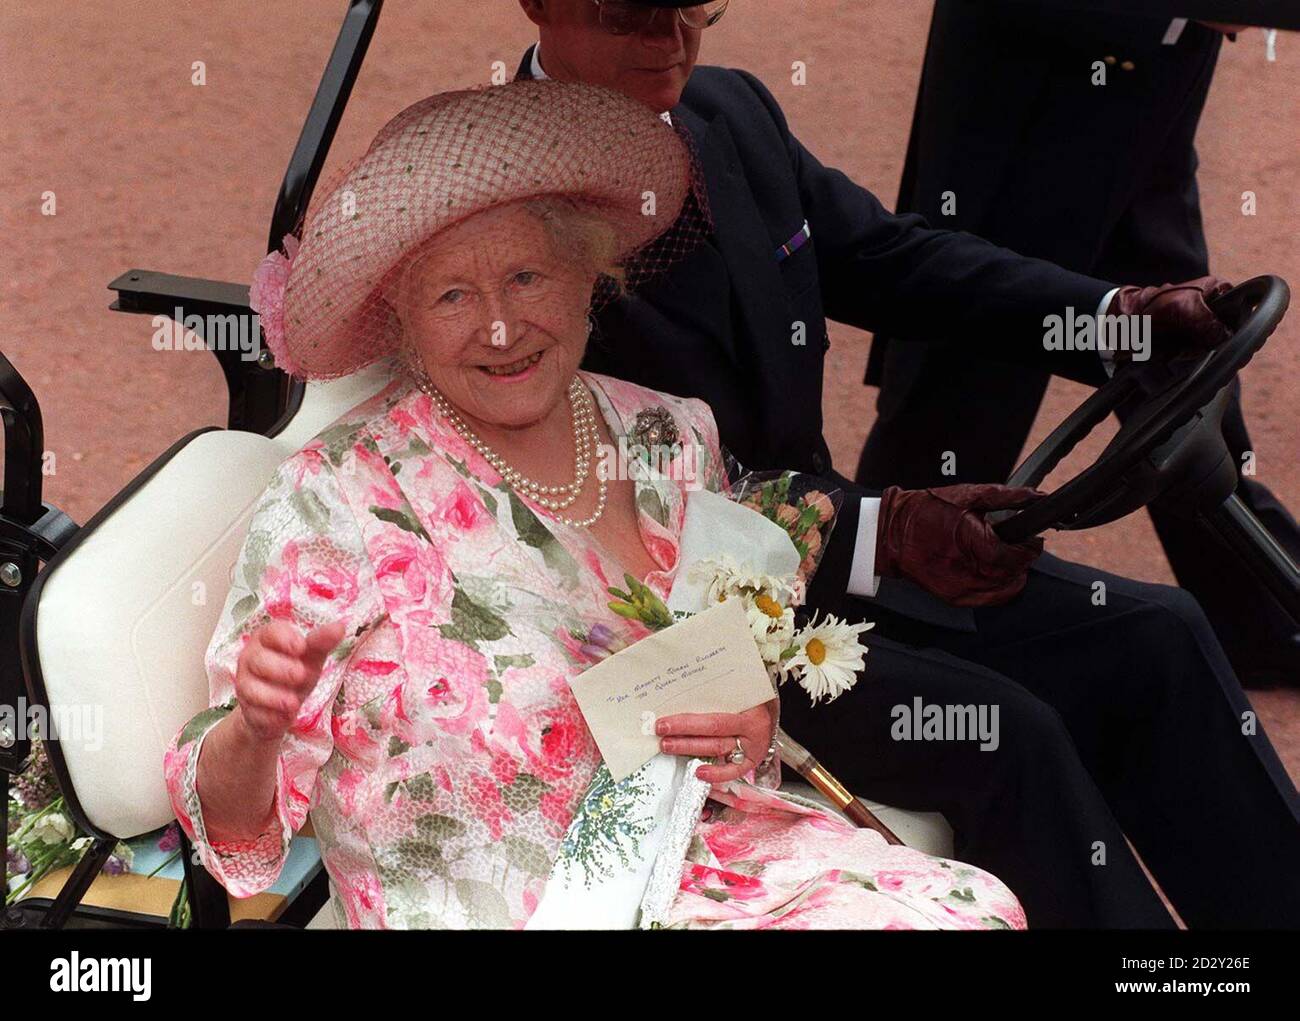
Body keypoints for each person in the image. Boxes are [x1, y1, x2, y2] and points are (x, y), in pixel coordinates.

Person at [163, 80, 1027, 930]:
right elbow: (235, 829)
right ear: (403, 322)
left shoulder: (671, 434)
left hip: (709, 863)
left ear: (589, 274)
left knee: (977, 912)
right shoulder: (340, 495)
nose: (499, 327)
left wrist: (746, 722)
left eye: (527, 276)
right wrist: (257, 726)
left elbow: (722, 680)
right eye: (452, 295)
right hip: (504, 902)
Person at [512, 0, 1300, 927]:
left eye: (693, 7)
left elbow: (892, 260)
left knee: (1154, 635)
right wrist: (885, 532)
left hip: (828, 563)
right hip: (670, 633)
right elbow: (623, 495)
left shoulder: (728, 113)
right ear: (537, 2)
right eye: (630, 12)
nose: (671, 39)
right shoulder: (503, 224)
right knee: (1007, 731)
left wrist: (1118, 315)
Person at [857, 3, 1300, 688]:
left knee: (1177, 336)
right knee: (973, 347)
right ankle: (863, 624)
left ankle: (1263, 604)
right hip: (1056, 49)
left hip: (1157, 55)